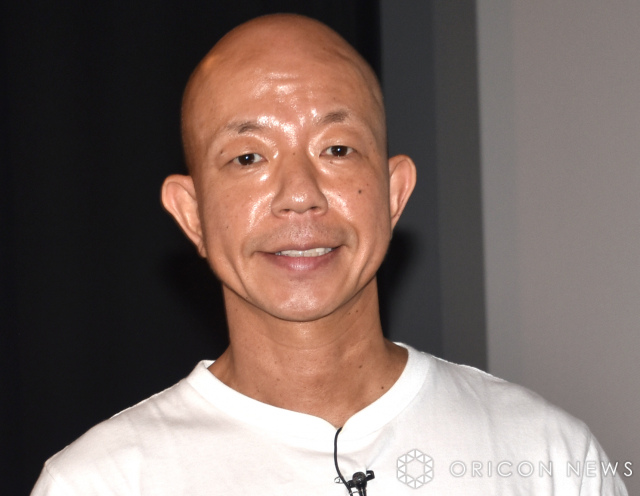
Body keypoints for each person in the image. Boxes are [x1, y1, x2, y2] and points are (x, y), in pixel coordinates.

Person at [31, 14, 628, 495]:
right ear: (192, 215)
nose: (299, 194)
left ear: (393, 194)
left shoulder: (548, 457)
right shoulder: (101, 482)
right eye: (248, 157)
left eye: (337, 149)